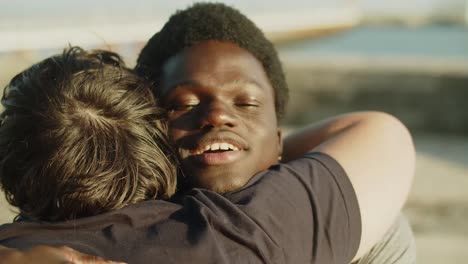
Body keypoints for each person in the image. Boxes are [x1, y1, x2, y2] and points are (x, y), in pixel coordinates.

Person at [0, 4, 415, 264]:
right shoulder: (245, 234)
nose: (218, 116)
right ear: (154, 133)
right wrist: (265, 151)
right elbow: (380, 134)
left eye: (246, 104)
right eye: (185, 104)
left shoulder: (22, 245)